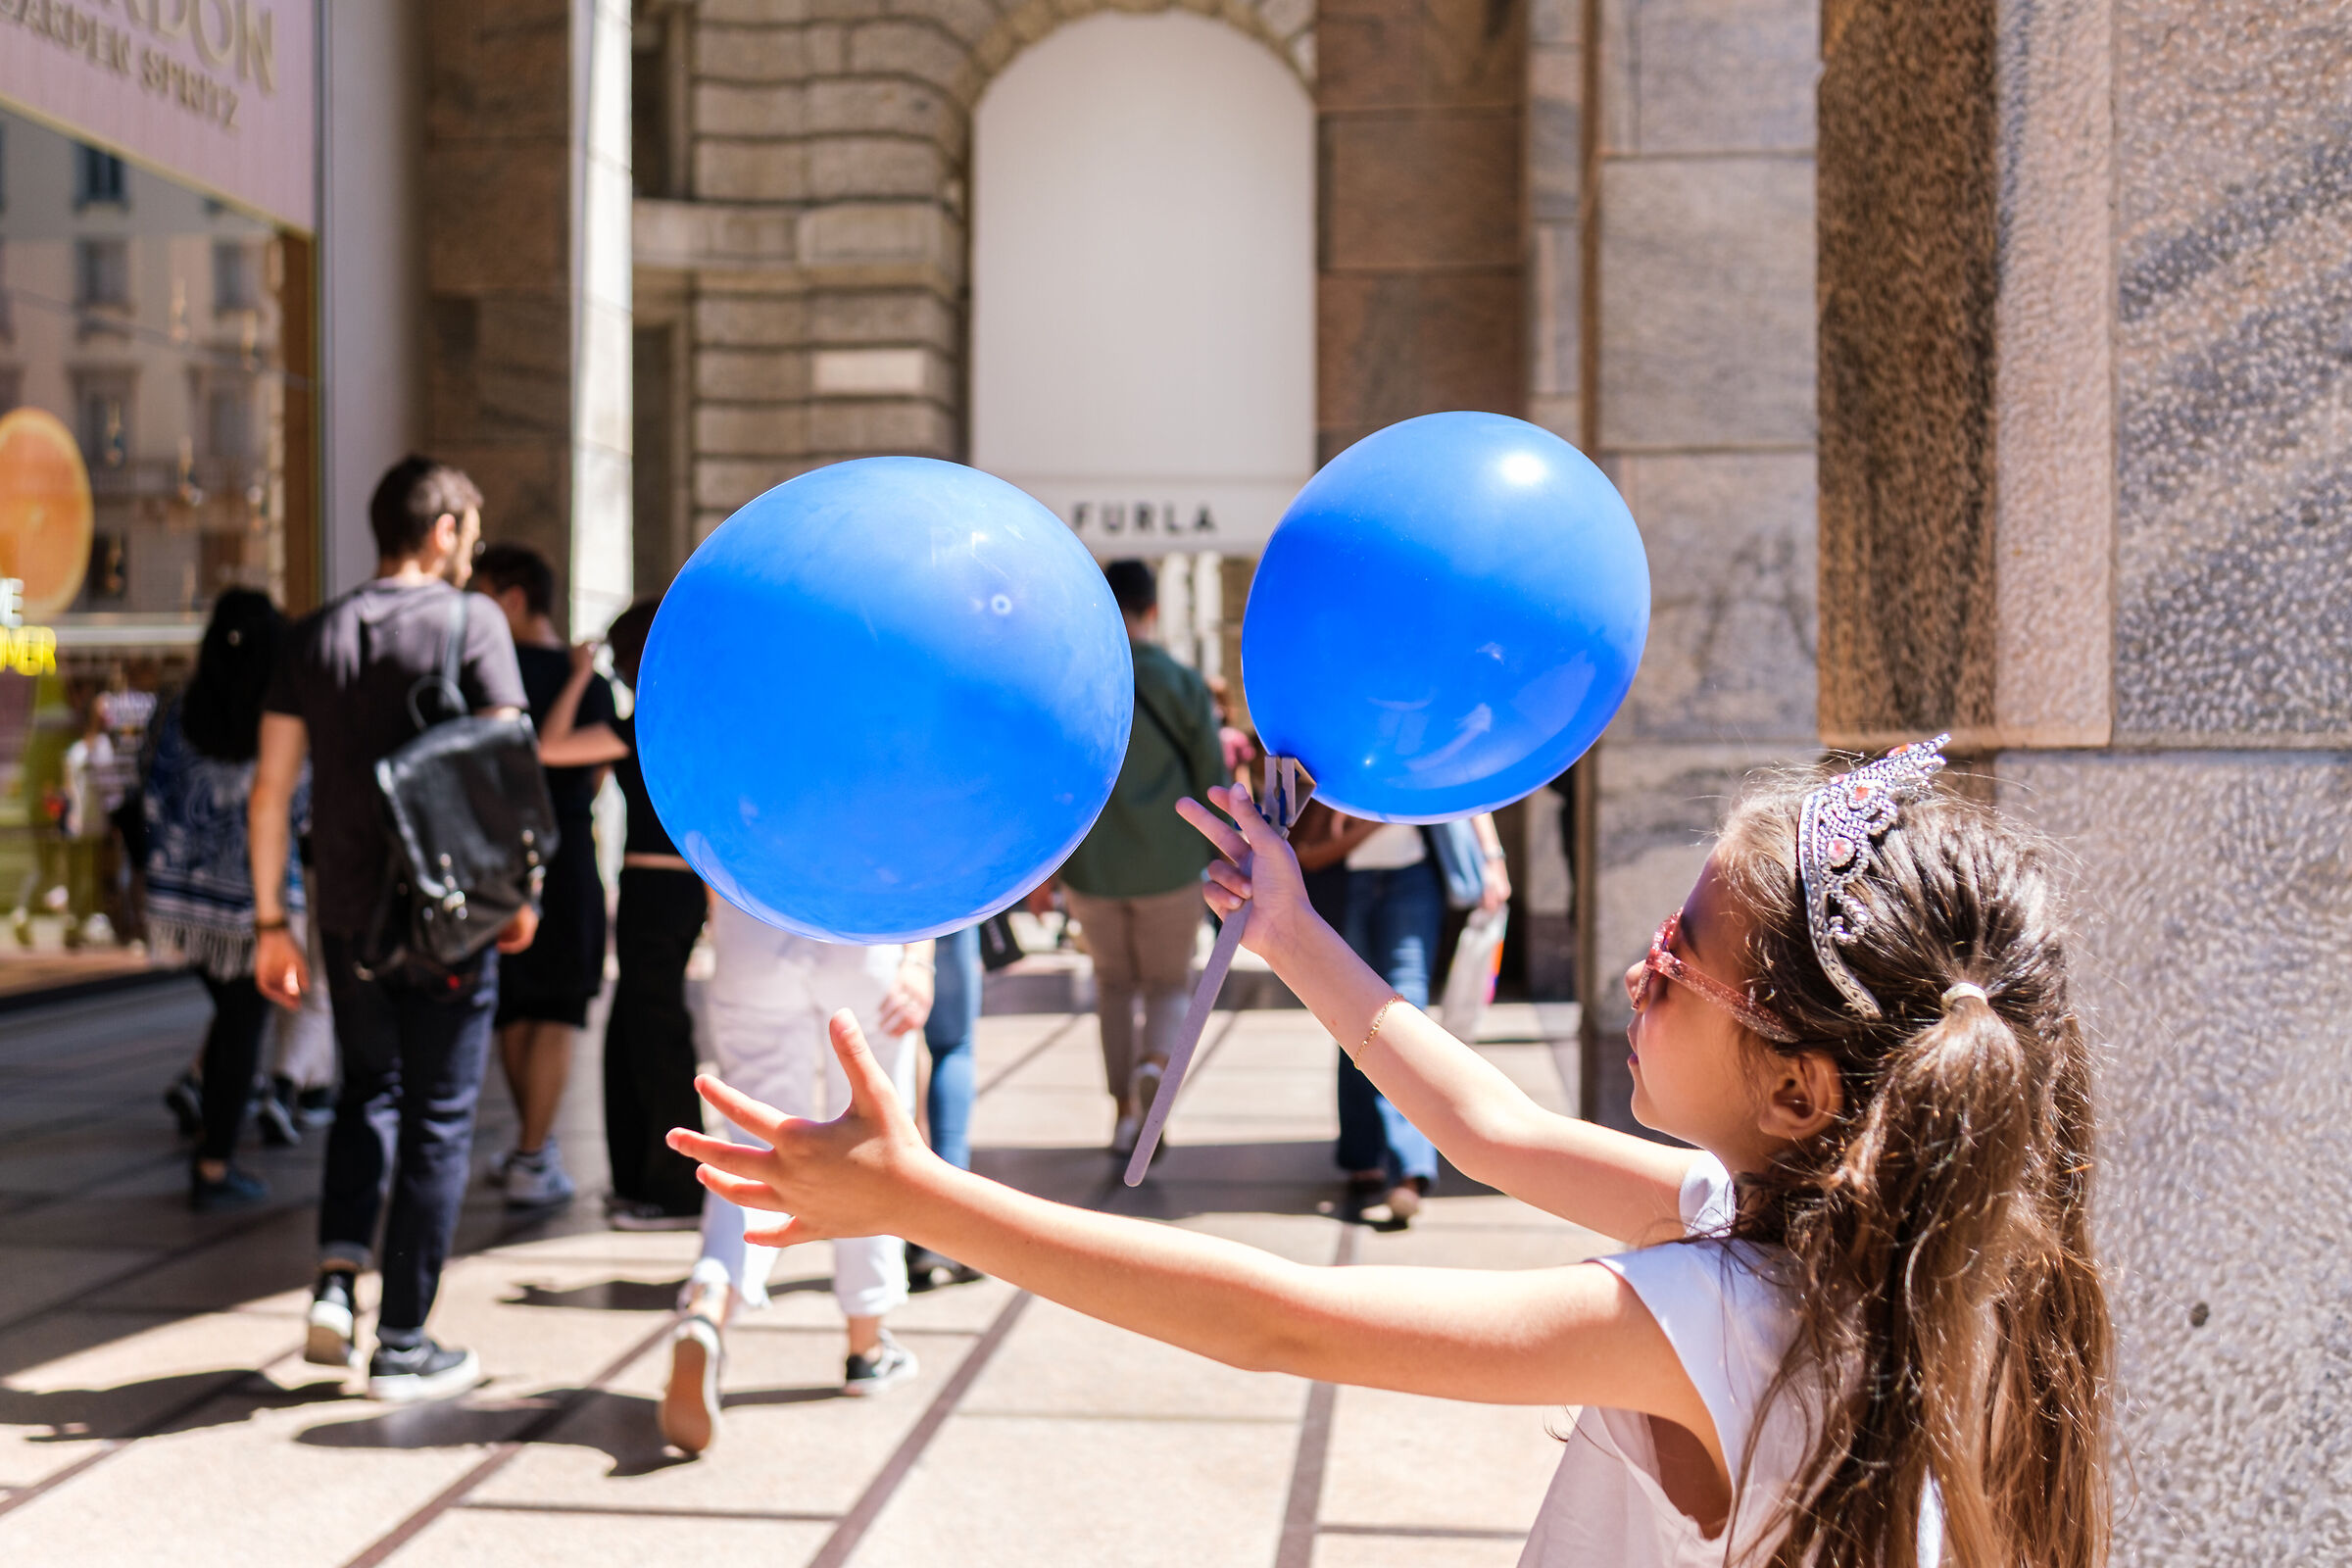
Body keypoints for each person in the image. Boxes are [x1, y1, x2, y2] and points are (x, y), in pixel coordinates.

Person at [672, 740, 2110, 1567]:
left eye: (1679, 961)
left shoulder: (1729, 1316)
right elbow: (1487, 1129)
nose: (1638, 966)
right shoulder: (1823, 1248)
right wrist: (1296, 935)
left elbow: (1272, 1322)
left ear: (1799, 1091)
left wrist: (924, 1199)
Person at [250, 455, 535, 1404]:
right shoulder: (473, 622)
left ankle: (336, 1282)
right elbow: (505, 767)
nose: (474, 546)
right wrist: (521, 893)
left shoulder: (315, 634)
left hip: (346, 914)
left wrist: (268, 922)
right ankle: (405, 1341)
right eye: (472, 526)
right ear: (442, 528)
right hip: (450, 914)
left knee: (366, 1088)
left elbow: (270, 792)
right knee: (440, 1114)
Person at [656, 903, 935, 1453]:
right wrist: (919, 959)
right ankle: (866, 1347)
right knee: (871, 1138)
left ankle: (710, 1303)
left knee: (752, 1144)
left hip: (753, 928)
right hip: (865, 924)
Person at [536, 599, 707, 1231]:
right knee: (636, 1027)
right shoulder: (676, 722)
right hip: (667, 891)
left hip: (657, 892)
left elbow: (549, 746)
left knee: (654, 1028)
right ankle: (642, 1179)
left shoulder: (648, 725)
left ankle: (676, 1189)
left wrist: (579, 674)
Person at [1054, 559, 1227, 1158]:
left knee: (1113, 988)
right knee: (1166, 984)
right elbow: (1212, 776)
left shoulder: (1081, 681)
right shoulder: (1180, 682)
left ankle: (1122, 1114)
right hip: (1171, 863)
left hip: (1093, 866)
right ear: (1153, 609)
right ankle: (1154, 1067)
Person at [141, 589, 305, 1210]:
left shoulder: (178, 709)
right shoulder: (282, 715)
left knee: (231, 1019)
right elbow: (299, 802)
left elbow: (148, 783)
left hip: (182, 901)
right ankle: (214, 1165)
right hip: (254, 905)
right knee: (244, 1029)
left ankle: (209, 1131)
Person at [469, 542, 617, 1210]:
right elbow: (590, 775)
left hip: (494, 855)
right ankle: (534, 1150)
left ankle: (532, 1149)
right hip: (564, 859)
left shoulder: (478, 671)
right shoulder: (579, 678)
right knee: (558, 1007)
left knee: (517, 1004)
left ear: (514, 596)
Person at [1293, 807, 1511, 1226]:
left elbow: (1464, 787)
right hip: (1341, 879)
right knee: (1349, 1013)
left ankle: (1411, 1166)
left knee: (1402, 1014)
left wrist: (1492, 857)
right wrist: (1376, 819)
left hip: (1414, 877)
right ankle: (1362, 1152)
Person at [908, 923, 984, 1290]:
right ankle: (951, 1228)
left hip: (863, 906)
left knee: (879, 1052)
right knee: (952, 1047)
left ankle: (903, 1226)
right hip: (946, 900)